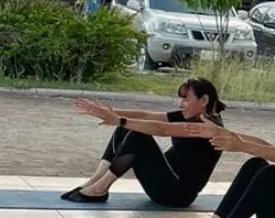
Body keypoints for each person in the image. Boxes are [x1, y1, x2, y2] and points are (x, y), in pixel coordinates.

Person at [64, 78, 226, 206]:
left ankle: (101, 188)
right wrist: (105, 113)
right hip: (166, 179)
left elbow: (161, 129)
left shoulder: (209, 127)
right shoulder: (191, 115)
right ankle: (96, 180)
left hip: (177, 194)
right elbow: (145, 116)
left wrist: (119, 120)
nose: (180, 104)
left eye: (185, 99)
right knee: (125, 127)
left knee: (138, 135)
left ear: (204, 100)